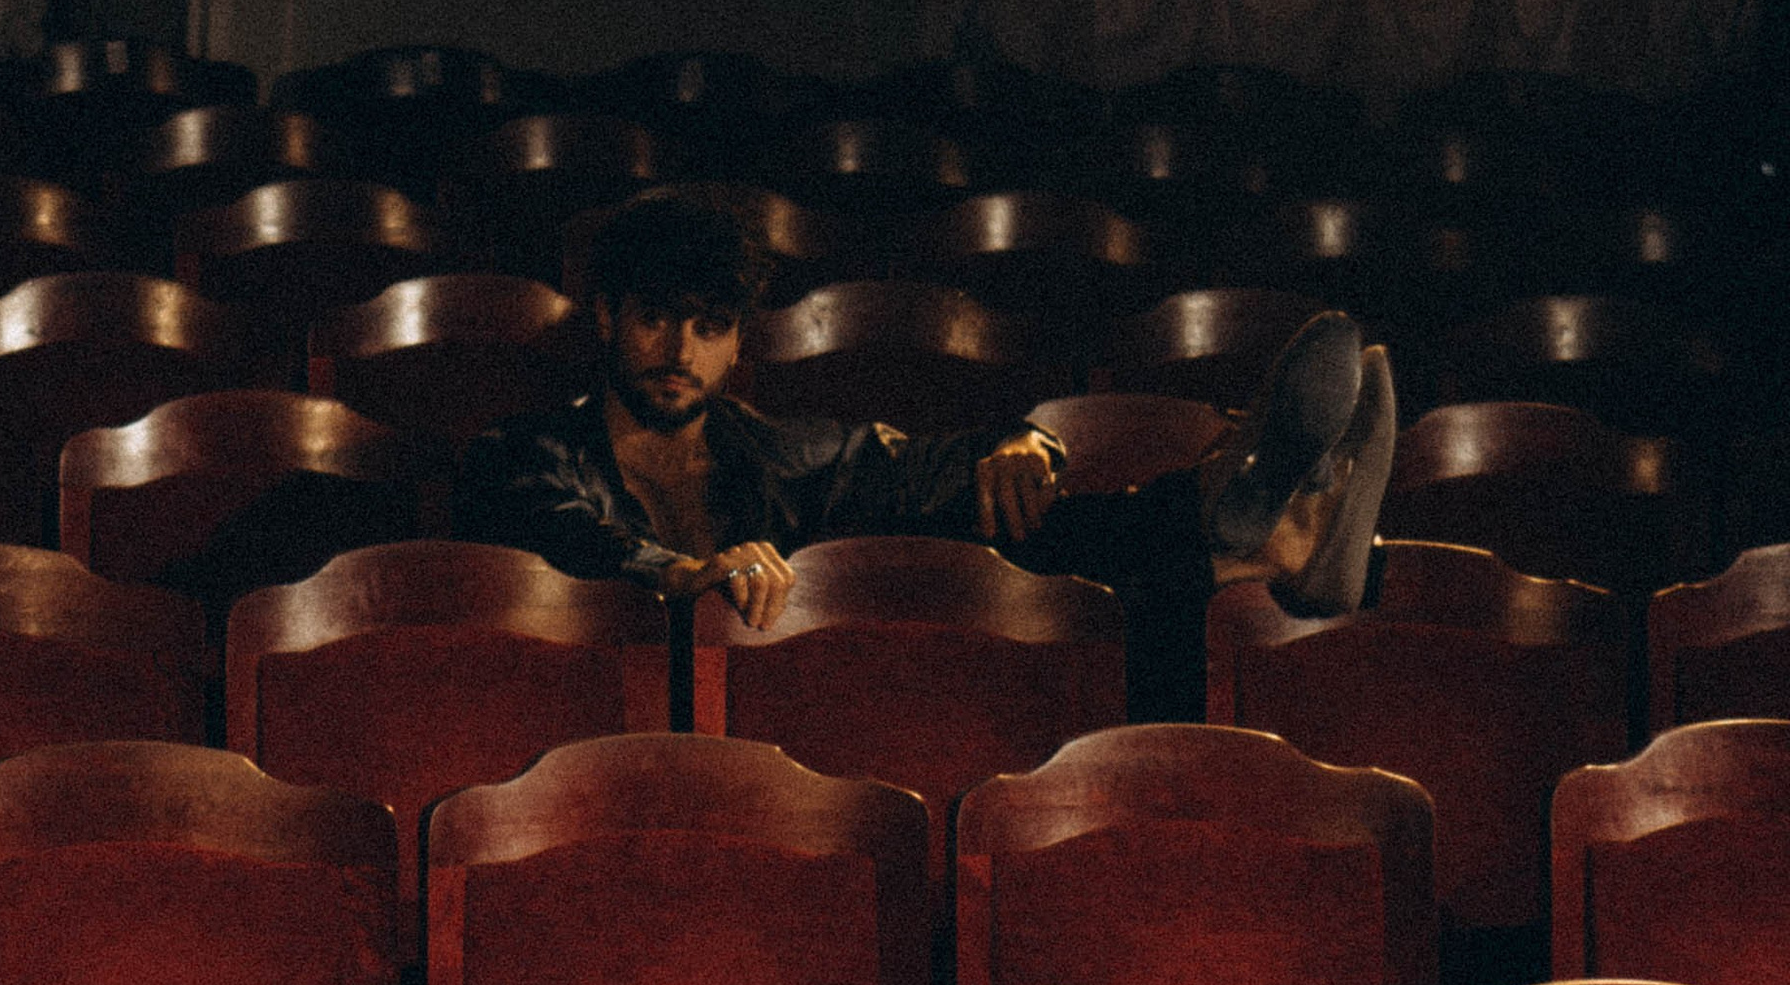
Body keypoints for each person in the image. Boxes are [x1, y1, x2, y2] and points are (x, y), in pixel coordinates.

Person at [454, 190, 1394, 697]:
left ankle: (1246, 528)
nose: (678, 351)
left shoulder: (778, 455)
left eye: (708, 326)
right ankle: (1253, 538)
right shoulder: (527, 453)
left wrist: (1026, 447)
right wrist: (674, 572)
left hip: (775, 737)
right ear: (609, 318)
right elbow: (559, 530)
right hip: (602, 744)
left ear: (740, 341)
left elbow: (913, 469)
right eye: (656, 320)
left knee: (1008, 527)